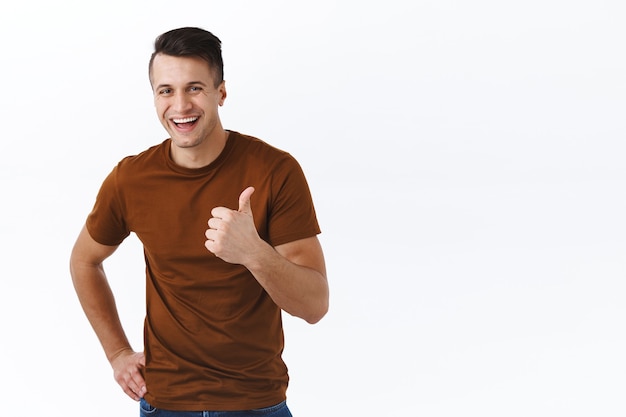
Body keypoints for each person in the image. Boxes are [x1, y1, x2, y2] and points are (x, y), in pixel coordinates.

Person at [70, 27, 329, 416]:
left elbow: (315, 305)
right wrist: (118, 352)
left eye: (194, 88)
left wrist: (253, 253)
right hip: (165, 402)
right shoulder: (130, 179)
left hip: (256, 403)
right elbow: (84, 261)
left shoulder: (276, 170)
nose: (180, 105)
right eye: (166, 91)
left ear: (220, 92)